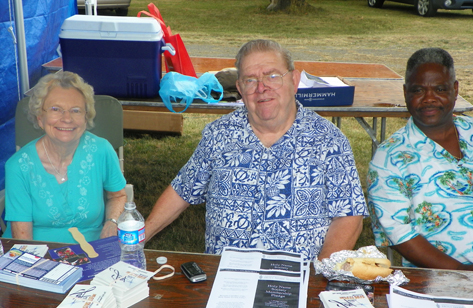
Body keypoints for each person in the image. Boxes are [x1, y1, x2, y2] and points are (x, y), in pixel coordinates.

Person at [145, 39, 368, 260]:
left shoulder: (329, 140)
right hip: (227, 280)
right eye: (251, 80)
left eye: (272, 76)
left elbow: (350, 216)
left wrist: (316, 278)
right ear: (240, 88)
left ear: (294, 80)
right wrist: (135, 240)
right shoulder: (219, 135)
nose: (262, 88)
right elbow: (182, 190)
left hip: (296, 281)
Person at [367, 47, 473, 272]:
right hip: (441, 279)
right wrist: (462, 273)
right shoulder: (389, 159)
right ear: (405, 92)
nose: (429, 99)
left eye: (440, 89)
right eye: (418, 90)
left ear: (455, 89)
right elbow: (399, 232)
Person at [3, 71, 127, 244]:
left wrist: (111, 222)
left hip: (93, 251)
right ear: (40, 118)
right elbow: (23, 243)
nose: (67, 118)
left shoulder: (101, 150)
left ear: (85, 117)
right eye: (55, 109)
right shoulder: (18, 166)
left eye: (75, 110)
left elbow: (118, 196)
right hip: (37, 255)